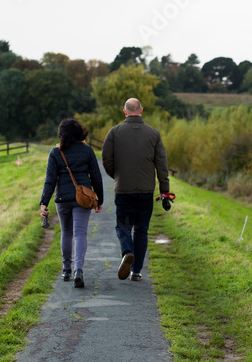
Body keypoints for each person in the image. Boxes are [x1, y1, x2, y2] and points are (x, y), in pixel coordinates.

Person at [102, 98, 170, 281]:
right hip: (146, 191)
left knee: (123, 225)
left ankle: (127, 251)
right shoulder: (154, 134)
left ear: (125, 112)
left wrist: (117, 176)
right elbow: (162, 165)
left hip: (124, 190)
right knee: (141, 230)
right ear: (141, 111)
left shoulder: (114, 133)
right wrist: (164, 190)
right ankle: (136, 271)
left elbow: (106, 160)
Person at [39, 118, 104, 288]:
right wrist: (99, 200)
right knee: (80, 233)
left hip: (63, 199)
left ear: (62, 134)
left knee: (66, 233)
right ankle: (78, 270)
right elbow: (96, 178)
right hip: (82, 198)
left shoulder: (55, 152)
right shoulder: (87, 151)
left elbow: (50, 180)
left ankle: (66, 269)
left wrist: (44, 202)